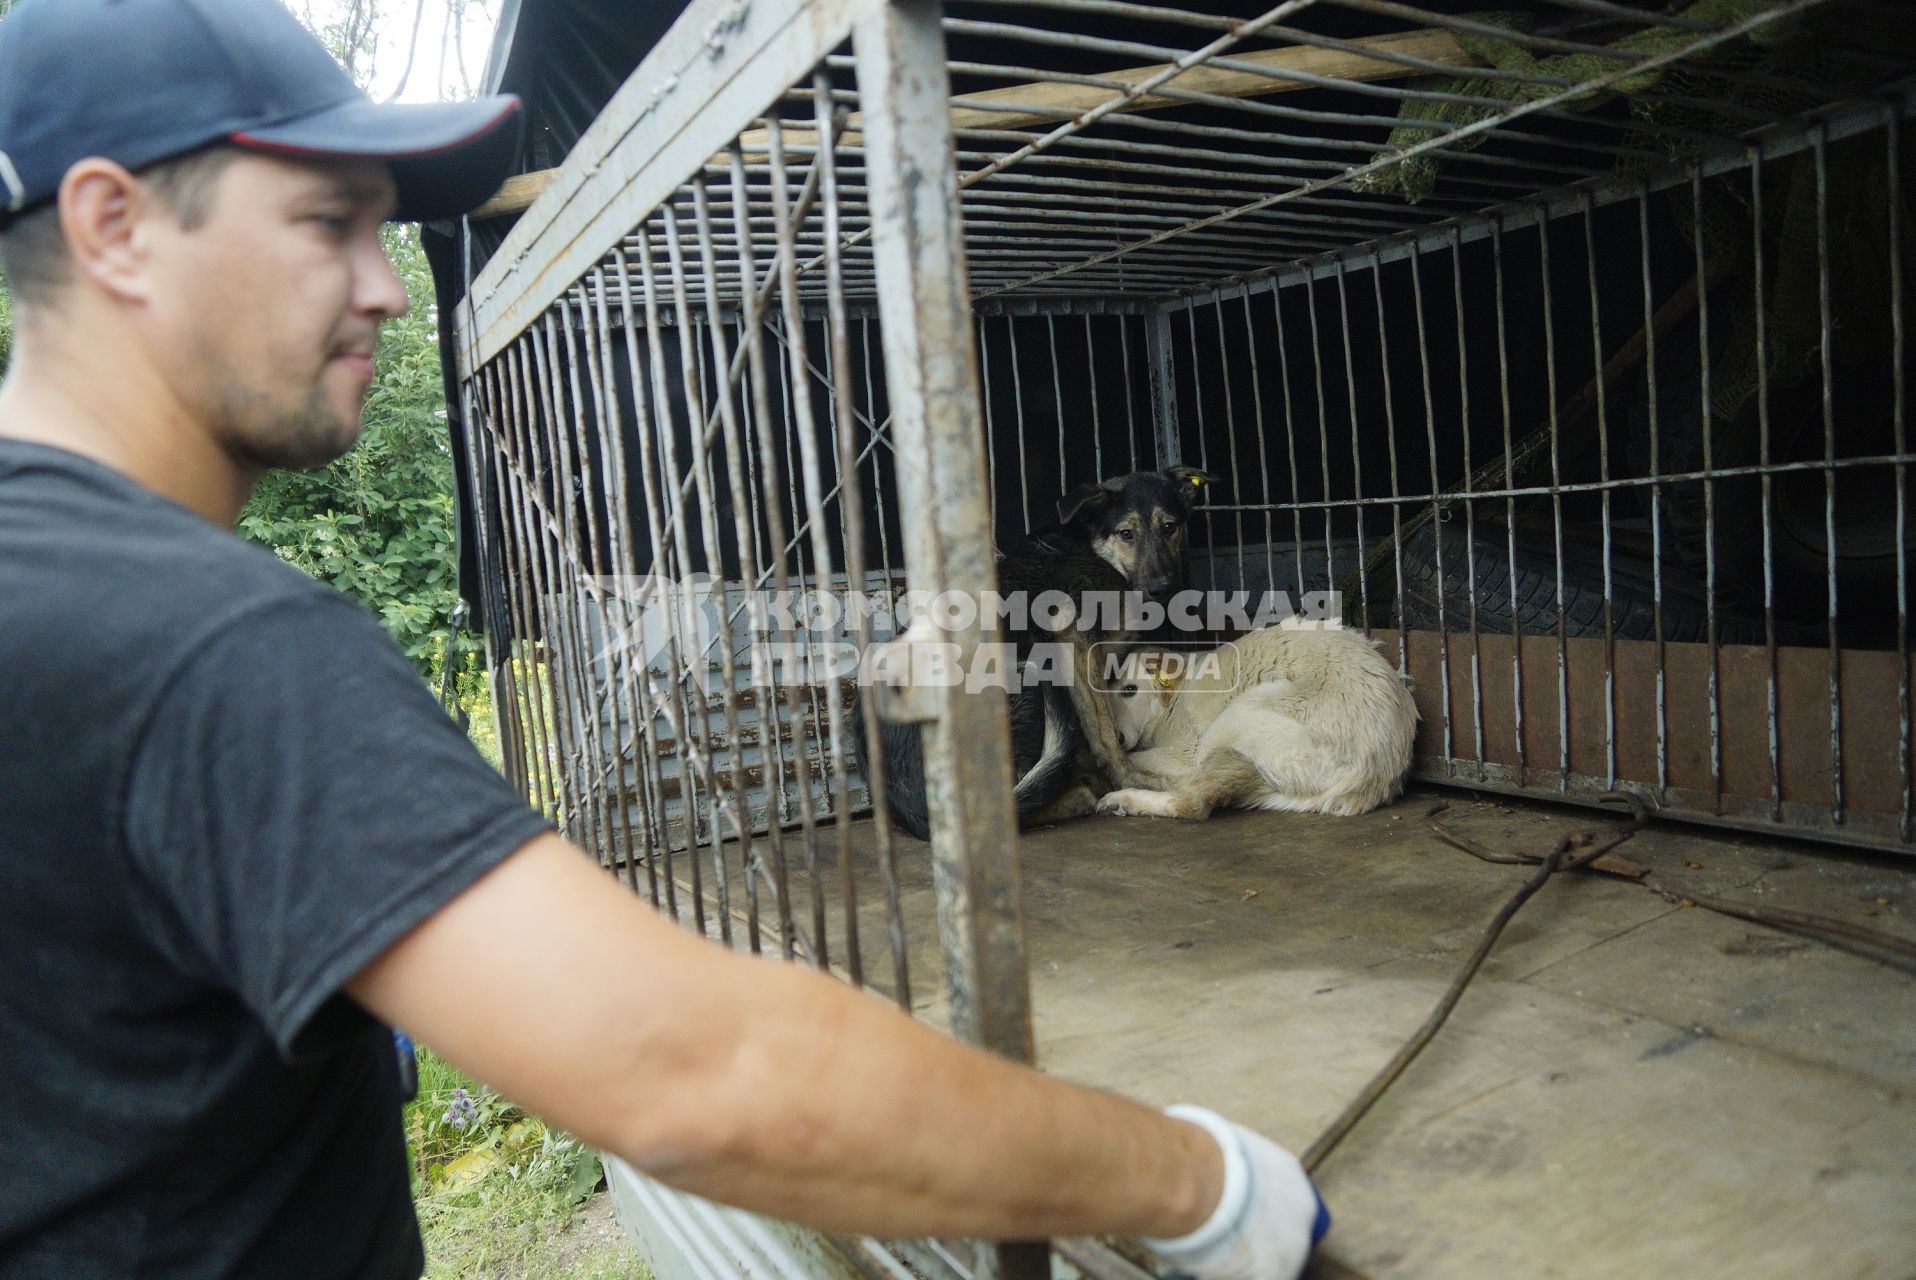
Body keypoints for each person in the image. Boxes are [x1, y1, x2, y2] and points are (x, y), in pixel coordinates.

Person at [0, 1, 1328, 1277]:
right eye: (327, 224)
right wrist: (1196, 1184)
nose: (388, 290)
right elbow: (700, 1073)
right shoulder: (206, 650)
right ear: (114, 225)